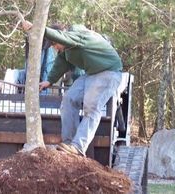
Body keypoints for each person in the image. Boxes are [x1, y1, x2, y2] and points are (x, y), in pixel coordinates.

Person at [22, 21, 123, 156]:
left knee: (91, 107)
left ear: (61, 36)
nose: (55, 48)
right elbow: (61, 63)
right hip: (91, 74)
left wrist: (37, 27)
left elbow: (63, 38)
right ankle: (68, 144)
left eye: (54, 44)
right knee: (69, 99)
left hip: (108, 72)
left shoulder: (78, 35)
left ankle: (78, 147)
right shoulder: (67, 50)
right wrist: (49, 81)